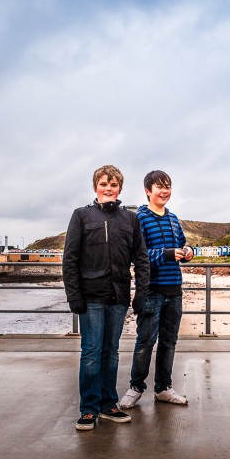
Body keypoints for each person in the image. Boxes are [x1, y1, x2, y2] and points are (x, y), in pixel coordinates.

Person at [62, 164, 150, 431]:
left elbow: (141, 259)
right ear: (96, 187)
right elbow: (70, 259)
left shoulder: (130, 219)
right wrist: (73, 296)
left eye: (113, 184)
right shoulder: (81, 215)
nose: (108, 188)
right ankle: (89, 409)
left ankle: (108, 404)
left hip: (118, 296)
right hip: (91, 297)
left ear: (119, 188)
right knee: (91, 352)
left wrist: (141, 292)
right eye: (104, 184)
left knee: (111, 352)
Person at [119, 170, 194, 409]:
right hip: (151, 290)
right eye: (159, 187)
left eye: (167, 186)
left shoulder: (173, 218)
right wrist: (167, 254)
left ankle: (163, 388)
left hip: (174, 289)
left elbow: (182, 245)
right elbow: (137, 255)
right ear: (147, 191)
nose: (164, 191)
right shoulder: (139, 218)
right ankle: (135, 387)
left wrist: (189, 252)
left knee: (169, 342)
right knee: (145, 342)